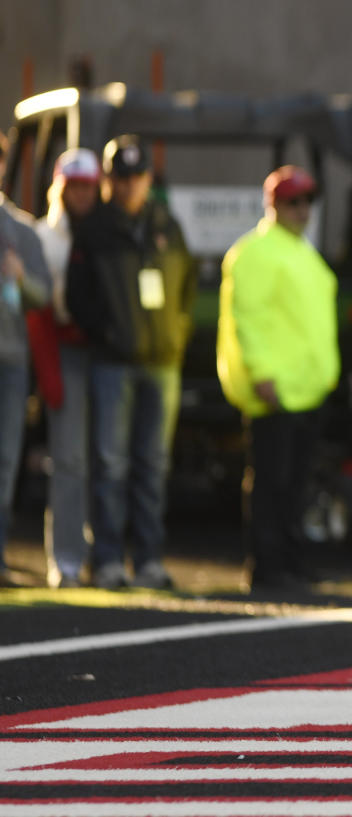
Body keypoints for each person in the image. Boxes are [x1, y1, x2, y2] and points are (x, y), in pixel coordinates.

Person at [65, 134, 196, 590]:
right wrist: (108, 332)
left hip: (161, 363)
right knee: (110, 462)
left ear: (148, 180)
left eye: (137, 177)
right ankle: (106, 559)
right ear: (110, 180)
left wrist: (175, 335)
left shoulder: (166, 224)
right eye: (121, 178)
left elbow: (187, 287)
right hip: (113, 362)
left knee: (153, 464)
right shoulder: (95, 228)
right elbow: (76, 297)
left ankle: (149, 559)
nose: (129, 187)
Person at [217, 165, 340, 591]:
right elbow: (247, 318)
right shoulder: (255, 252)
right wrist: (262, 373)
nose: (303, 209)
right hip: (277, 390)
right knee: (273, 481)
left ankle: (291, 560)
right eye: (294, 201)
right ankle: (267, 566)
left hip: (307, 388)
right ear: (273, 205)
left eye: (307, 201)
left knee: (297, 483)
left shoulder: (302, 252)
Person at [34, 148, 100, 587]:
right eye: (72, 185)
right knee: (70, 459)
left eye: (86, 187)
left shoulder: (106, 230)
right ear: (59, 187)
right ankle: (68, 558)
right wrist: (48, 372)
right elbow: (36, 311)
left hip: (104, 354)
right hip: (63, 351)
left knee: (104, 459)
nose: (79, 194)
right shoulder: (42, 236)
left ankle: (103, 554)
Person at [0, 133, 52, 587]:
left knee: (5, 462)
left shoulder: (21, 228)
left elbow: (43, 296)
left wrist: (19, 278)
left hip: (11, 362)